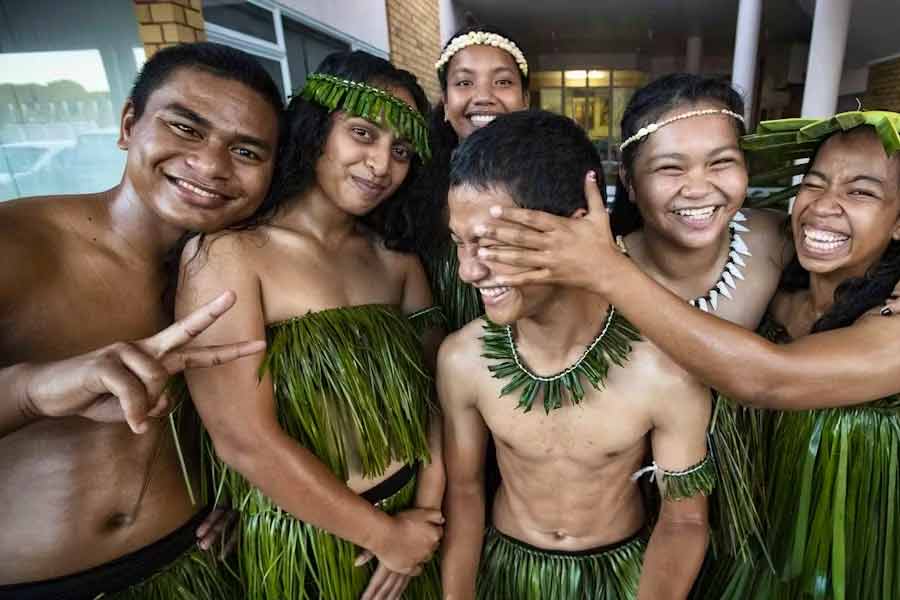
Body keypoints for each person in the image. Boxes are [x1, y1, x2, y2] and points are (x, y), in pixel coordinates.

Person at [474, 111, 900, 599]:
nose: (825, 206)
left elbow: (767, 379)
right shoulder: (779, 285)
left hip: (844, 561)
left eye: (862, 192)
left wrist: (607, 271)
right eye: (814, 183)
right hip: (743, 550)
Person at [0, 42, 282, 599]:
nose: (210, 165)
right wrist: (33, 389)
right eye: (186, 129)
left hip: (197, 565)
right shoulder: (16, 243)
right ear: (130, 123)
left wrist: (240, 494)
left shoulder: (239, 270)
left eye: (247, 152)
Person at [176, 51, 443, 600]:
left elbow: (441, 396)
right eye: (363, 134)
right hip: (301, 536)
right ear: (317, 129)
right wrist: (382, 535)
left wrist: (426, 514)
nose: (381, 164)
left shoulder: (398, 263)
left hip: (411, 528)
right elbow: (243, 439)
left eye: (401, 150)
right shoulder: (231, 255)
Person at [439, 109, 717, 600]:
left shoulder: (664, 369)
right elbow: (464, 491)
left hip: (621, 579)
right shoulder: (463, 360)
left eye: (490, 242)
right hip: (506, 572)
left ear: (578, 228)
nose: (468, 271)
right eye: (460, 243)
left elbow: (685, 519)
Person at [387, 24, 531, 332]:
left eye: (503, 82)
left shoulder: (552, 177)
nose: (483, 97)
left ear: (525, 99)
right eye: (464, 82)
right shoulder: (410, 182)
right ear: (445, 101)